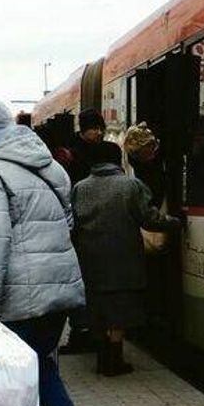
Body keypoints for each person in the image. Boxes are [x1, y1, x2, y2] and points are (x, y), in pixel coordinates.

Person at [0, 98, 92, 406]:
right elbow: (67, 223)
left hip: (16, 300)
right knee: (40, 367)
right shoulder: (47, 164)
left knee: (3, 391)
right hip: (57, 292)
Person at [71, 141, 181, 376]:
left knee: (99, 309)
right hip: (123, 259)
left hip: (90, 260)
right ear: (117, 159)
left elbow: (73, 223)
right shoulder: (130, 185)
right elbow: (149, 218)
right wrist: (175, 222)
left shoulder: (80, 187)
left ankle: (102, 359)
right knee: (118, 312)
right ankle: (115, 360)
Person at [61, 108, 105, 354]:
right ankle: (80, 331)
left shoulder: (98, 150)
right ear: (83, 129)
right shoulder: (71, 154)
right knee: (78, 282)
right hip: (76, 227)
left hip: (91, 227)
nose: (98, 132)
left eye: (101, 128)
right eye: (93, 128)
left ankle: (88, 330)